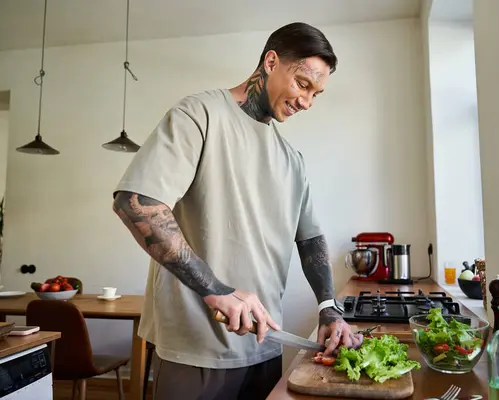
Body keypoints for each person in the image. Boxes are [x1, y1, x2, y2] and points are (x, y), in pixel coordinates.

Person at [111, 22, 363, 400]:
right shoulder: (199, 114)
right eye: (302, 84)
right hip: (196, 348)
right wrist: (217, 291)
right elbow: (136, 202)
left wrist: (329, 308)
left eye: (316, 94)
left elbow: (310, 238)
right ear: (271, 61)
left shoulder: (291, 159)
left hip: (265, 342)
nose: (307, 102)